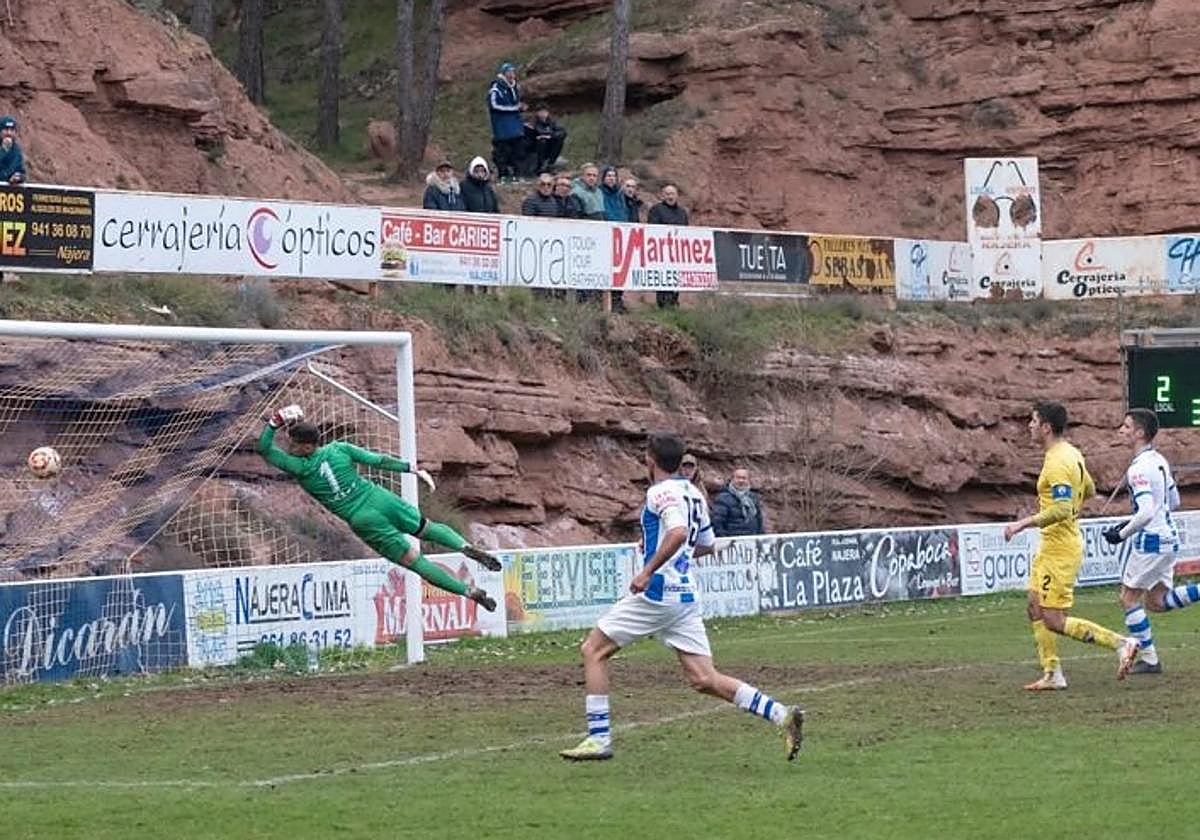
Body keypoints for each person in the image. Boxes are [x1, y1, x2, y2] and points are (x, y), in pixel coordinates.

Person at [559, 432, 804, 762]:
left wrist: (647, 570)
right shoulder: (693, 493)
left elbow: (676, 533)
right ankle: (781, 714)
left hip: (659, 592)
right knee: (704, 679)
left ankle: (599, 738)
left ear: (649, 459)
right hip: (685, 595)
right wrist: (665, 550)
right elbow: (702, 544)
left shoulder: (660, 492)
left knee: (593, 650)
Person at [257, 405, 500, 613]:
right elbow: (379, 461)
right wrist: (410, 468)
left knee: (415, 562)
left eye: (293, 443)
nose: (289, 446)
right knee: (428, 528)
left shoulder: (298, 467)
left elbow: (265, 449)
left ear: (305, 447)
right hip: (379, 497)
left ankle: (469, 592)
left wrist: (275, 421)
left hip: (362, 517)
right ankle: (464, 546)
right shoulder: (339, 449)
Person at [1003, 401, 1138, 690]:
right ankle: (1052, 673)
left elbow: (1063, 508)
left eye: (1033, 421)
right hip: (1053, 545)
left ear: (1046, 428)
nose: (1029, 425)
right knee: (1034, 605)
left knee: (1053, 619)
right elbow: (1088, 488)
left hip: (1061, 548)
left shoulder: (1057, 461)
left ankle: (1122, 643)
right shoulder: (1070, 454)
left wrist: (1021, 523)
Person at [1104, 408, 1191, 675]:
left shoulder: (1139, 468)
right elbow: (1173, 501)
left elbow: (1145, 512)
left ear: (1139, 433)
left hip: (1152, 541)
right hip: (1168, 537)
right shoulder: (1160, 460)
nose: (1121, 430)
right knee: (1157, 601)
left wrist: (1122, 533)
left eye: (1126, 426)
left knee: (1129, 599)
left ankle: (1150, 659)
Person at [647, 184, 689, 308]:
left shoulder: (682, 212)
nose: (670, 196)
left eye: (672, 194)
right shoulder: (656, 209)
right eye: (667, 194)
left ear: (677, 196)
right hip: (662, 252)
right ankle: (663, 305)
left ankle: (674, 303)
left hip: (678, 252)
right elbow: (652, 229)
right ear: (662, 195)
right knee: (663, 279)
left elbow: (687, 231)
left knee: (676, 279)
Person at [488, 61, 526, 183]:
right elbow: (494, 105)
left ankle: (518, 174)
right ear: (503, 74)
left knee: (518, 151)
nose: (512, 74)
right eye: (509, 72)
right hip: (502, 127)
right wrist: (514, 108)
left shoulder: (514, 88)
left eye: (513, 72)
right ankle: (503, 175)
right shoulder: (496, 89)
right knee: (503, 152)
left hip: (515, 126)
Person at [711, 467, 764, 537]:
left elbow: (759, 521)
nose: (741, 481)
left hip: (751, 541)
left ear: (748, 480)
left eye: (744, 478)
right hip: (732, 543)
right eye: (738, 478)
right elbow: (717, 523)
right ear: (732, 480)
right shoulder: (723, 498)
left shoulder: (753, 498)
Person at [529, 104, 566, 174]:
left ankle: (550, 163)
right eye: (541, 112)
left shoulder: (552, 122)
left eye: (545, 112)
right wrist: (542, 136)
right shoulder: (533, 122)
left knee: (559, 141)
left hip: (550, 145)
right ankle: (541, 165)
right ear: (537, 113)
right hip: (536, 146)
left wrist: (551, 136)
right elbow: (534, 132)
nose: (543, 114)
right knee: (542, 141)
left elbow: (562, 132)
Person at [0, 116, 25, 184]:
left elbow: (21, 171)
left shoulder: (16, 150)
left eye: (12, 130)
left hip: (9, 192)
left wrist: (18, 177)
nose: (9, 133)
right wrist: (3, 151)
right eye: (6, 129)